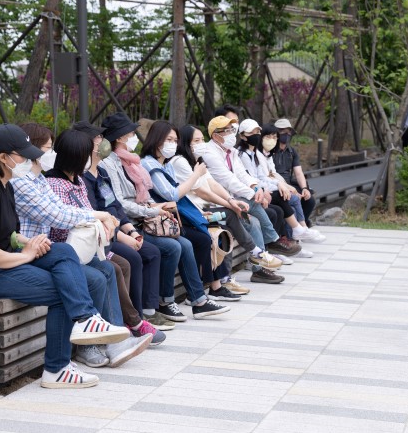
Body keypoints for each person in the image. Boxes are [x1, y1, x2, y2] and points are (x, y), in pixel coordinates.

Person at [0, 123, 131, 388]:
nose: (30, 160)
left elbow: (8, 234)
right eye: (23, 155)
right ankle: (57, 368)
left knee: (63, 251)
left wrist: (28, 242)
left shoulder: (5, 185)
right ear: (3, 157)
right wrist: (27, 254)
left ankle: (87, 319)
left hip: (4, 258)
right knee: (61, 292)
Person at [11, 123, 155, 368]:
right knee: (97, 277)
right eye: (47, 148)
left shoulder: (42, 180)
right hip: (47, 249)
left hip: (59, 249)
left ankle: (114, 338)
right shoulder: (30, 182)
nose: (50, 154)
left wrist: (105, 221)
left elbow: (80, 211)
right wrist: (99, 218)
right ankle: (90, 346)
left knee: (110, 269)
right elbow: (58, 217)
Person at [43, 127, 168, 350]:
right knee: (106, 272)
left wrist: (114, 226)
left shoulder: (81, 179)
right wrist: (102, 222)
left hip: (89, 246)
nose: (97, 149)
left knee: (113, 268)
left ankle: (119, 332)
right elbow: (63, 222)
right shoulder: (54, 183)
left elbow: (108, 207)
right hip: (66, 250)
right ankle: (102, 340)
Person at [99, 112, 230, 320]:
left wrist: (155, 207)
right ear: (120, 137)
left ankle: (198, 301)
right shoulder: (110, 164)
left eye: (175, 140)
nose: (134, 136)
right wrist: (153, 209)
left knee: (188, 242)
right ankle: (163, 303)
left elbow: (145, 196)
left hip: (146, 219)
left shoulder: (133, 162)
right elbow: (121, 203)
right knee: (174, 246)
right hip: (134, 223)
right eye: (131, 133)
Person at [79, 125, 169, 332]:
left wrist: (132, 231)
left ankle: (139, 316)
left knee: (149, 252)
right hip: (103, 237)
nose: (103, 142)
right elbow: (97, 214)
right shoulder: (83, 177)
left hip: (117, 230)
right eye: (99, 138)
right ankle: (132, 319)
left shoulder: (101, 172)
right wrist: (123, 236)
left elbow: (115, 206)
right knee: (130, 260)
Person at [140, 121, 240, 303]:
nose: (172, 144)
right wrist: (196, 175)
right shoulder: (155, 164)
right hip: (162, 219)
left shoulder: (170, 164)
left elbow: (209, 186)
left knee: (208, 232)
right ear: (156, 140)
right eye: (168, 139)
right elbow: (174, 194)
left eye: (174, 140)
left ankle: (207, 291)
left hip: (174, 215)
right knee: (197, 239)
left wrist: (231, 201)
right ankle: (196, 294)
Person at [174, 125, 279, 292]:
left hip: (205, 209)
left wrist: (231, 200)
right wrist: (230, 203)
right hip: (193, 213)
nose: (202, 143)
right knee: (228, 216)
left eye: (202, 140)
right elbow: (203, 191)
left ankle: (228, 276)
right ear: (185, 142)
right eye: (196, 140)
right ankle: (257, 252)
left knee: (229, 220)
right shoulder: (180, 161)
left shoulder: (199, 160)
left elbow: (213, 184)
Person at [201, 115, 300, 262]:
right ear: (216, 135)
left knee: (257, 216)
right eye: (227, 131)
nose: (231, 134)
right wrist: (252, 193)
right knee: (254, 215)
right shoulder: (209, 153)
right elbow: (228, 179)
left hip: (231, 199)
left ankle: (263, 260)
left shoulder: (231, 151)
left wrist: (255, 187)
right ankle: (270, 245)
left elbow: (242, 174)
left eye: (231, 129)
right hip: (217, 202)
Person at [237, 119, 326, 248]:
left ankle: (294, 238)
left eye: (257, 132)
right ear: (242, 136)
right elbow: (251, 179)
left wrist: (282, 185)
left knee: (291, 203)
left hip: (268, 188)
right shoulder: (244, 154)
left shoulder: (256, 153)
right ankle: (294, 234)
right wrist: (275, 186)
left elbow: (263, 176)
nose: (256, 135)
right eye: (252, 133)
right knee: (282, 203)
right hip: (252, 194)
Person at [271, 118, 317, 228]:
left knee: (309, 200)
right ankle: (297, 227)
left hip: (289, 183)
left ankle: (303, 222)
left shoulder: (292, 152)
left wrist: (305, 188)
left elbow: (298, 172)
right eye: (282, 131)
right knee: (292, 199)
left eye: (288, 132)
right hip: (275, 184)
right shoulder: (269, 151)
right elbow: (269, 174)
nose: (286, 134)